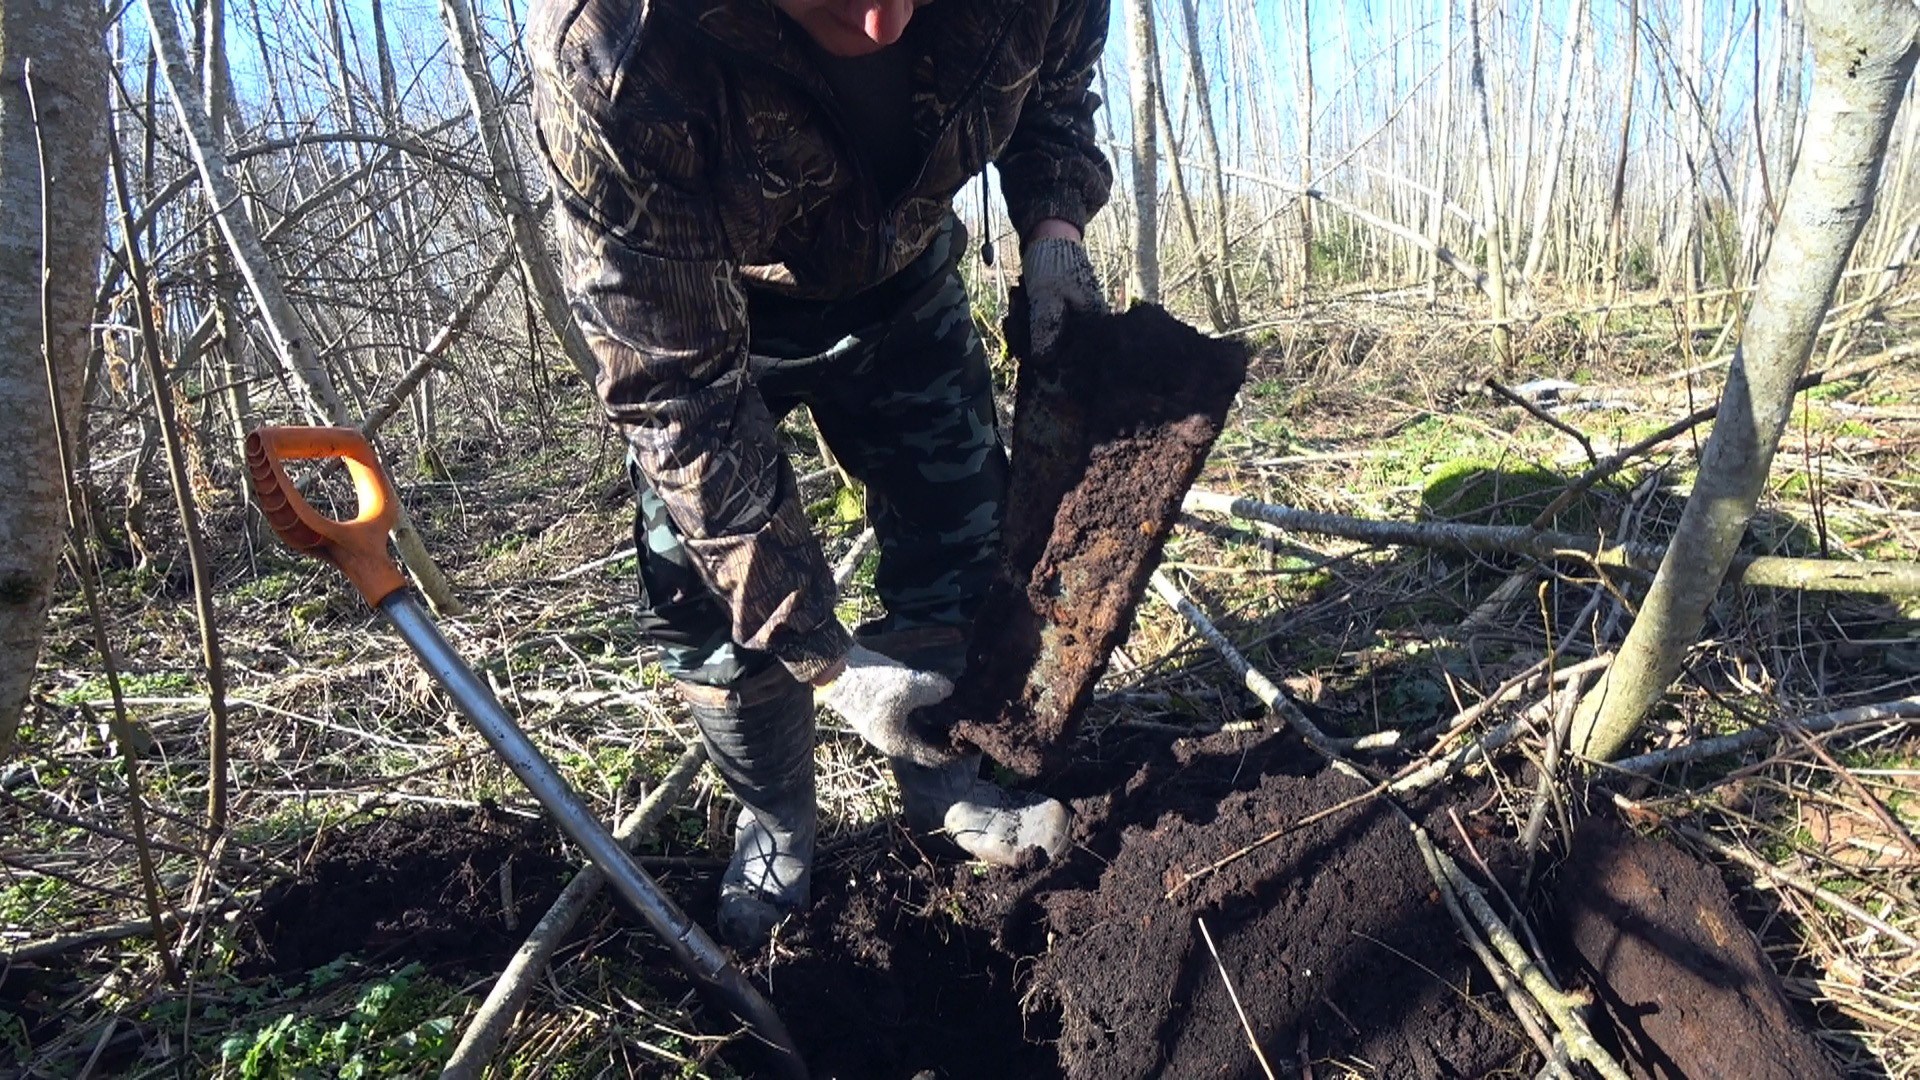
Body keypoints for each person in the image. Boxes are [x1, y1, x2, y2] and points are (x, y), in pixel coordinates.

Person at [527, 0, 1112, 947]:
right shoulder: (617, 53)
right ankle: (778, 821)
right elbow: (674, 397)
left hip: (908, 275)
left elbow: (1052, 81)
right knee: (703, 593)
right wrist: (831, 666)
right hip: (713, 309)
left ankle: (948, 778)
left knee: (962, 536)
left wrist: (1054, 233)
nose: (881, 21)